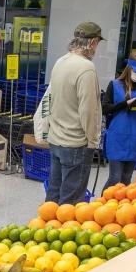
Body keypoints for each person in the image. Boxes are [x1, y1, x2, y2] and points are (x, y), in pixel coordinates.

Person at [46, 21, 103, 205]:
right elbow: (88, 110)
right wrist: (93, 141)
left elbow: (51, 99)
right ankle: (61, 231)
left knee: (53, 196)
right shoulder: (86, 68)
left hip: (56, 139)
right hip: (75, 144)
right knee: (70, 202)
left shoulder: (60, 62)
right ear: (93, 43)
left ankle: (44, 230)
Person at [102, 53, 136, 191]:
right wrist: (125, 103)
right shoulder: (115, 85)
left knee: (126, 178)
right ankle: (101, 206)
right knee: (114, 178)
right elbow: (105, 109)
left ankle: (120, 208)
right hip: (118, 137)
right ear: (129, 68)